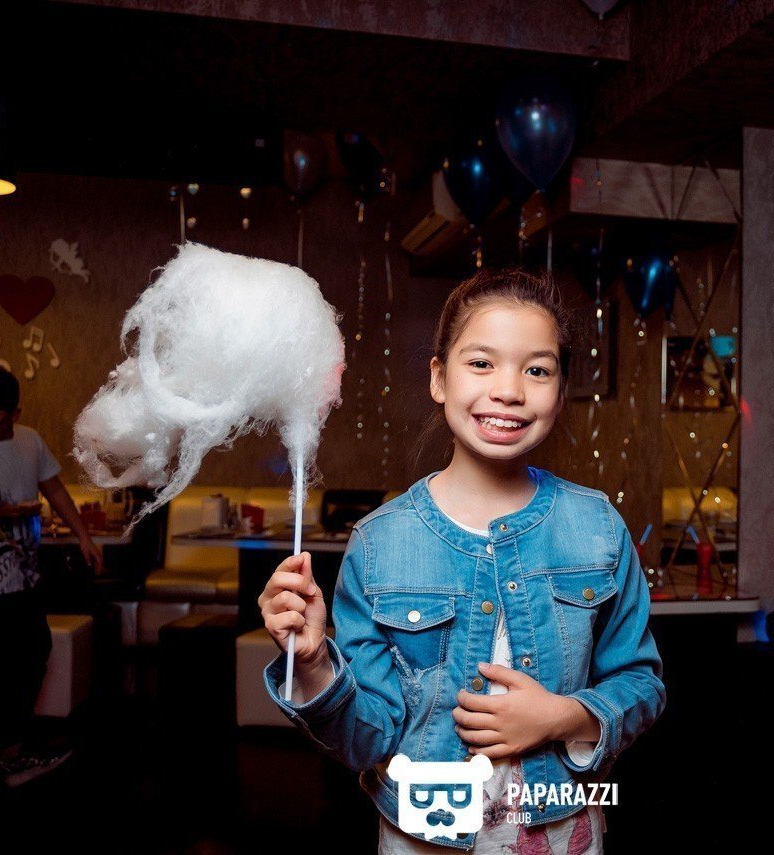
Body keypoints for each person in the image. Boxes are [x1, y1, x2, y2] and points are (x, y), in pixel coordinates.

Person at [259, 269, 666, 852]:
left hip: (561, 832)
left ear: (560, 390)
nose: (509, 390)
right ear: (438, 378)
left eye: (537, 370)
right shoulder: (379, 543)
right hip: (424, 835)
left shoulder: (597, 527)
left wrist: (563, 717)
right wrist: (315, 662)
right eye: (481, 363)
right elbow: (366, 741)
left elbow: (641, 683)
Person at [0, 367, 104, 787]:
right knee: (5, 663)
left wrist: (83, 535)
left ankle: (11, 743)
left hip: (25, 573)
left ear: (14, 413)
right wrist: (1, 512)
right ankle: (10, 754)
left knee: (35, 651)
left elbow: (55, 488)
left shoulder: (30, 441)